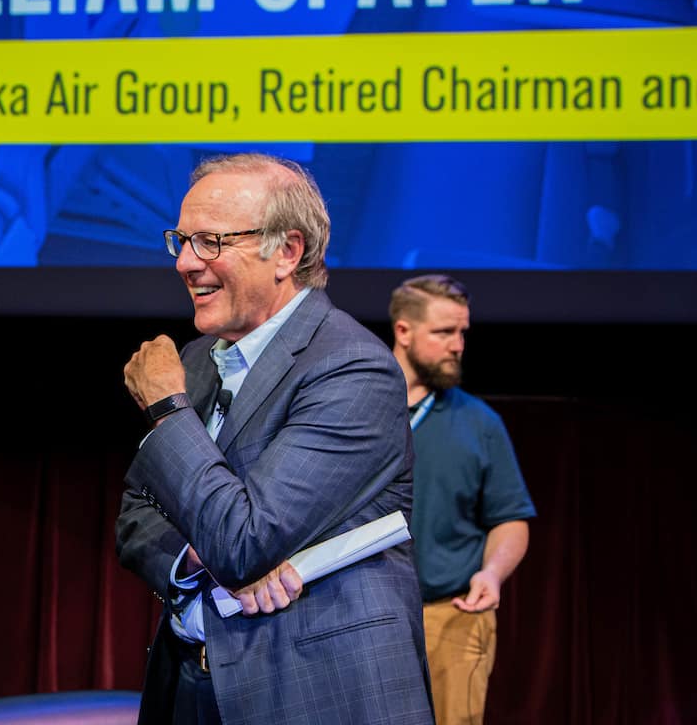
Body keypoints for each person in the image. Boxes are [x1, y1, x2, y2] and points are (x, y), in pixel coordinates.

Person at [116, 152, 433, 724]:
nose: (187, 263)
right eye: (182, 240)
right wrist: (194, 558)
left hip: (309, 693)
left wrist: (166, 406)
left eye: (212, 242)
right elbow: (135, 514)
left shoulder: (353, 367)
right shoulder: (198, 360)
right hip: (188, 683)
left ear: (287, 251)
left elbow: (244, 541)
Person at [388, 274, 535, 725]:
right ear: (403, 331)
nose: (458, 345)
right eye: (444, 332)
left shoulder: (479, 423)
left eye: (462, 333)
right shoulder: (356, 408)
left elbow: (510, 519)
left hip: (450, 615)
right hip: (361, 617)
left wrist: (492, 573)